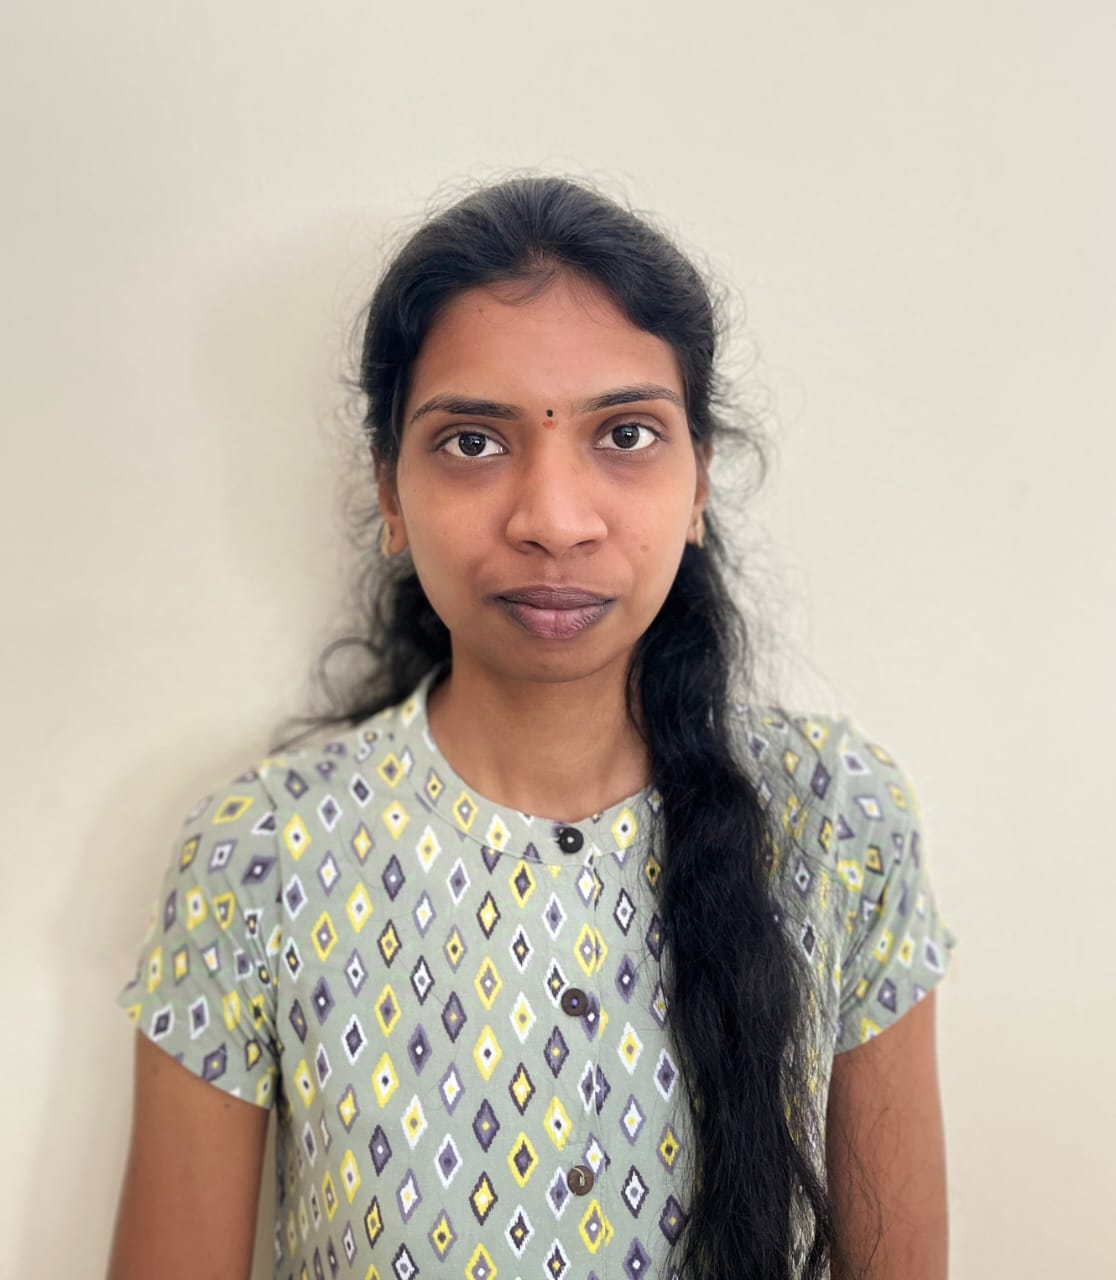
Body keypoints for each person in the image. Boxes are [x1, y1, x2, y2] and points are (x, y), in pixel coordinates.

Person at [106, 174, 958, 1280]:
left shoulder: (838, 821)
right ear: (391, 491)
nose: (554, 520)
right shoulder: (262, 856)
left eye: (627, 433)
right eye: (473, 441)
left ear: (699, 482)